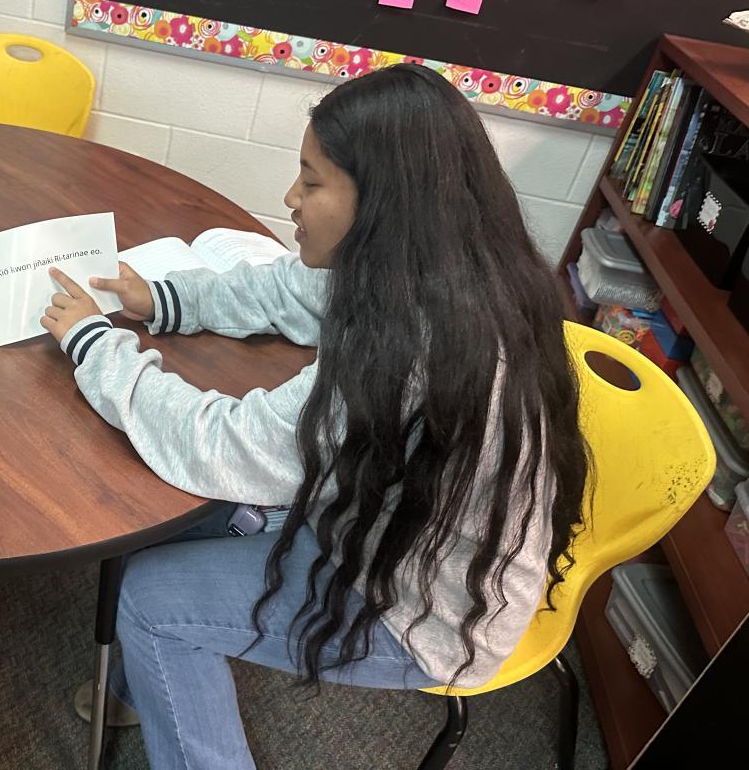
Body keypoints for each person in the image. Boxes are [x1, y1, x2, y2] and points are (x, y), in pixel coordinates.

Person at [42, 64, 588, 769]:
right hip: (392, 524)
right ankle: (143, 687)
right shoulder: (446, 269)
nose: (291, 198)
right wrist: (166, 300)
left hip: (420, 609)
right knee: (170, 515)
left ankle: (163, 680)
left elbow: (222, 444)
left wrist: (95, 345)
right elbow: (288, 289)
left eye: (312, 181)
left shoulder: (409, 351)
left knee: (150, 599)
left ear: (384, 203)